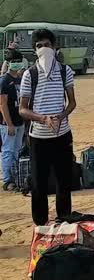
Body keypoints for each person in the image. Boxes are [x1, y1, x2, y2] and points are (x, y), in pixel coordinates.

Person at [19, 29, 77, 226]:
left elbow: (72, 103)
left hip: (62, 134)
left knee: (64, 181)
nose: (43, 49)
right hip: (38, 137)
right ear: (35, 50)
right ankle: (40, 224)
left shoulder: (65, 71)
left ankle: (64, 220)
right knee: (38, 183)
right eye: (39, 46)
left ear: (54, 47)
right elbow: (23, 109)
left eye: (47, 45)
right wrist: (43, 119)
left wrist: (60, 117)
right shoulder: (30, 75)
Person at [1, 49, 26, 191]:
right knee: (8, 151)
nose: (16, 64)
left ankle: (16, 176)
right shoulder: (4, 81)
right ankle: (7, 179)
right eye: (13, 62)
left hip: (19, 121)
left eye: (18, 61)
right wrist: (9, 123)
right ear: (9, 63)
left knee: (17, 150)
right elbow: (2, 104)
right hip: (8, 123)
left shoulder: (20, 79)